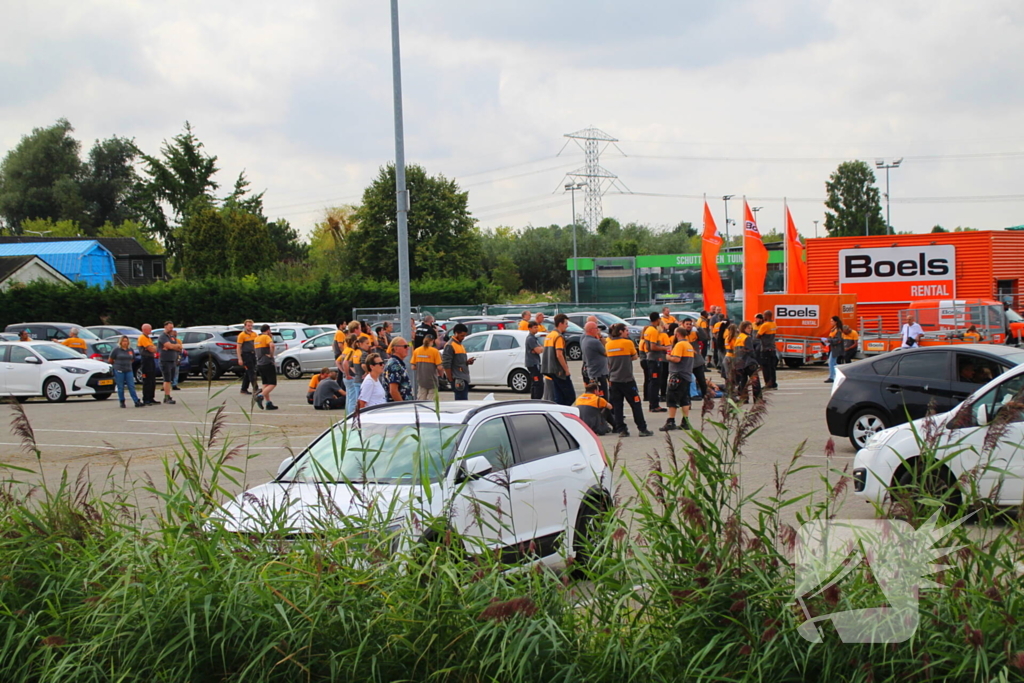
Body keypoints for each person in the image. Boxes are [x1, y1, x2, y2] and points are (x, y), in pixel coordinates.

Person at [605, 323, 652, 438]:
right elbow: (635, 356)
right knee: (636, 404)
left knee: (618, 406)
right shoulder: (627, 343)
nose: (628, 332)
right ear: (620, 331)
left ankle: (622, 429)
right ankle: (642, 428)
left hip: (614, 380)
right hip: (627, 380)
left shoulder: (608, 344)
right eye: (626, 330)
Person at [661, 324, 696, 431]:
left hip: (677, 375)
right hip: (686, 375)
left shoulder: (679, 345)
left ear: (677, 334)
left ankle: (671, 421)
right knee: (684, 399)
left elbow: (676, 359)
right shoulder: (689, 345)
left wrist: (668, 357)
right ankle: (685, 421)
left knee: (672, 399)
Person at [541, 314, 575, 406]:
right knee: (570, 396)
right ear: (560, 324)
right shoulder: (558, 337)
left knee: (558, 396)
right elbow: (559, 355)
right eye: (566, 323)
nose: (567, 326)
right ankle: (562, 412)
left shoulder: (549, 335)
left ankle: (559, 411)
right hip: (559, 371)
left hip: (550, 371)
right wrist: (566, 370)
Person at [642, 315, 670, 412]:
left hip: (652, 358)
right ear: (658, 319)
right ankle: (654, 405)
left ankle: (653, 404)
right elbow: (653, 347)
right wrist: (665, 348)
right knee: (655, 382)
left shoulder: (648, 330)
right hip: (654, 359)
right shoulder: (653, 331)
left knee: (653, 382)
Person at [108, 335, 143, 408]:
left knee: (131, 386)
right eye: (123, 341)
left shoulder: (130, 350)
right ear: (120, 342)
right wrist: (117, 365)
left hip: (128, 370)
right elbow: (110, 360)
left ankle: (136, 400)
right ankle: (122, 401)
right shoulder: (116, 350)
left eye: (126, 341)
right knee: (120, 387)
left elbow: (133, 359)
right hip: (119, 370)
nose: (125, 343)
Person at [442, 323, 475, 401]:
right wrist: (450, 380)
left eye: (464, 336)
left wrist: (467, 362)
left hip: (464, 377)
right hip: (458, 379)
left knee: (464, 400)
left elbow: (459, 361)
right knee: (461, 401)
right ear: (456, 333)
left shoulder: (460, 345)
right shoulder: (450, 345)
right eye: (462, 336)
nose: (463, 338)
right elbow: (446, 364)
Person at [733, 321, 762, 402]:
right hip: (749, 362)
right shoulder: (747, 337)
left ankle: (744, 398)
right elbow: (750, 350)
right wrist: (755, 359)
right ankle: (758, 399)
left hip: (740, 362)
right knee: (755, 381)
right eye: (748, 328)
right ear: (744, 328)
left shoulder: (739, 337)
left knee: (743, 381)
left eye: (751, 328)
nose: (750, 329)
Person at [342, 334, 372, 412]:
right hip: (362, 381)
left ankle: (349, 417)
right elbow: (363, 365)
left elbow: (350, 365)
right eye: (367, 343)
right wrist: (367, 372)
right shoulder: (363, 353)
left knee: (352, 400)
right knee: (362, 401)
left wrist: (356, 373)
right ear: (361, 343)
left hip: (356, 380)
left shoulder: (354, 352)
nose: (369, 345)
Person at [681, 318, 710, 400]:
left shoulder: (694, 333)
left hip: (696, 361)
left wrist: (698, 327)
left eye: (690, 324)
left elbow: (704, 338)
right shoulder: (681, 334)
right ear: (683, 325)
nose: (689, 326)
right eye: (687, 324)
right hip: (686, 362)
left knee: (701, 380)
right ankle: (687, 397)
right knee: (686, 381)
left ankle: (706, 396)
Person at [411, 333, 444, 401]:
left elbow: (413, 367)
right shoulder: (435, 351)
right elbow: (439, 368)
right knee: (431, 401)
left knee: (421, 399)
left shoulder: (417, 351)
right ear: (432, 341)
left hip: (421, 381)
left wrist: (421, 367)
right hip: (432, 381)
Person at [253, 324, 279, 410]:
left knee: (265, 383)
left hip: (260, 363)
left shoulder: (257, 338)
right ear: (268, 330)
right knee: (272, 383)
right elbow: (272, 345)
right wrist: (271, 355)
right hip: (267, 362)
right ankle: (260, 396)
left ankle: (268, 403)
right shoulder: (266, 337)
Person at [581, 321, 609, 398]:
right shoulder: (594, 342)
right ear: (591, 330)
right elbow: (606, 351)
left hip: (592, 372)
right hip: (599, 373)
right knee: (603, 397)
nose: (598, 330)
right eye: (596, 328)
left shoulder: (585, 340)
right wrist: (600, 337)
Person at [157, 322, 181, 405]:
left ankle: (168, 395)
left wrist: (173, 346)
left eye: (172, 327)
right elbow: (170, 346)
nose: (171, 329)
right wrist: (172, 346)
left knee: (170, 379)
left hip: (172, 360)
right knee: (167, 379)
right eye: (170, 327)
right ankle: (166, 396)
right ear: (165, 327)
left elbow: (179, 347)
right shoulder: (162, 336)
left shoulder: (172, 337)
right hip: (165, 360)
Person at [384, 337, 412, 402]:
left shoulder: (397, 363)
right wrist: (402, 408)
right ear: (396, 348)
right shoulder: (394, 364)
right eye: (405, 346)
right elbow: (393, 391)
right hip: (398, 409)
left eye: (408, 346)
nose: (408, 348)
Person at [237, 320, 260, 396]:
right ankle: (256, 388)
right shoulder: (242, 335)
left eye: (251, 326)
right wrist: (240, 358)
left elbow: (257, 344)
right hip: (246, 355)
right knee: (251, 371)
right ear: (245, 326)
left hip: (253, 354)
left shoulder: (254, 334)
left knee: (248, 372)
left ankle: (244, 389)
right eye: (248, 325)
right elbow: (239, 347)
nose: (250, 327)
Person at [137, 324, 158, 405]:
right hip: (145, 360)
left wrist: (153, 348)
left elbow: (154, 348)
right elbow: (151, 349)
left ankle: (151, 397)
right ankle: (146, 398)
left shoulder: (148, 338)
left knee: (152, 379)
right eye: (149, 329)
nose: (151, 330)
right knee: (147, 380)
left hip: (151, 359)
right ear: (144, 329)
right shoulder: (142, 337)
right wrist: (151, 348)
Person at [758, 310, 779, 390]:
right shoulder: (773, 324)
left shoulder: (765, 325)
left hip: (766, 348)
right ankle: (773, 383)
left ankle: (768, 384)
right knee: (772, 367)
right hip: (772, 348)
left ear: (766, 316)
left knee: (765, 367)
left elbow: (758, 335)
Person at [524, 321, 544, 400]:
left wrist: (540, 348)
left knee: (537, 383)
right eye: (535, 327)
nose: (536, 329)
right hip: (533, 364)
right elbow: (538, 350)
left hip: (535, 363)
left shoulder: (534, 338)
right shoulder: (530, 339)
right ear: (530, 328)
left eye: (537, 327)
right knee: (537, 383)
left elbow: (539, 349)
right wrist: (540, 349)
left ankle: (535, 399)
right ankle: (536, 399)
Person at [825, 316, 844, 384]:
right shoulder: (834, 329)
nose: (831, 322)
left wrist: (829, 340)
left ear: (835, 322)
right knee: (834, 363)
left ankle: (832, 377)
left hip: (836, 348)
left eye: (832, 321)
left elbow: (838, 340)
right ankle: (840, 374)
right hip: (833, 347)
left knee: (831, 362)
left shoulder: (838, 330)